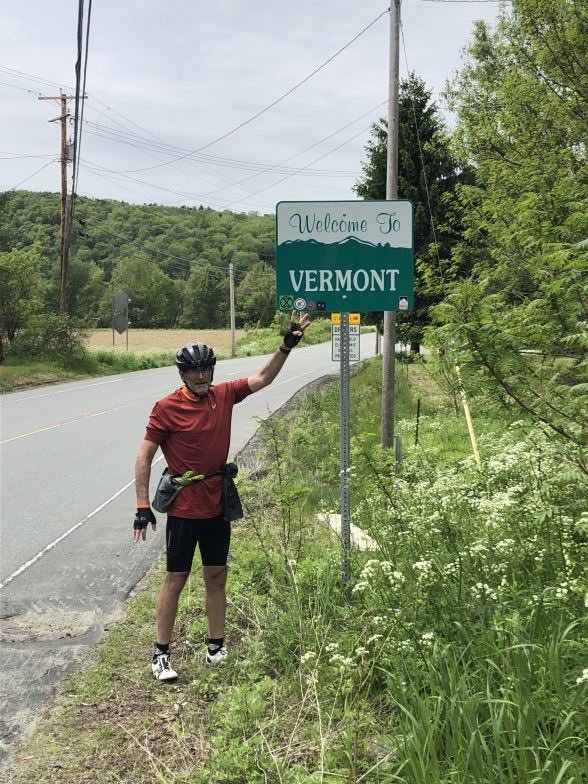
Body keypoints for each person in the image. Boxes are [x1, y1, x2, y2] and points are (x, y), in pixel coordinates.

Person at [133, 312, 310, 681]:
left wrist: (286, 345)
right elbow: (145, 455)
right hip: (183, 508)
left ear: (212, 371)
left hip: (216, 504)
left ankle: (216, 647)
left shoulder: (223, 395)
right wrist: (142, 505)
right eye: (193, 371)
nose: (201, 376)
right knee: (175, 579)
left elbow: (262, 378)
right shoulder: (167, 408)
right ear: (182, 374)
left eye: (206, 369)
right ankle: (161, 654)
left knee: (217, 576)